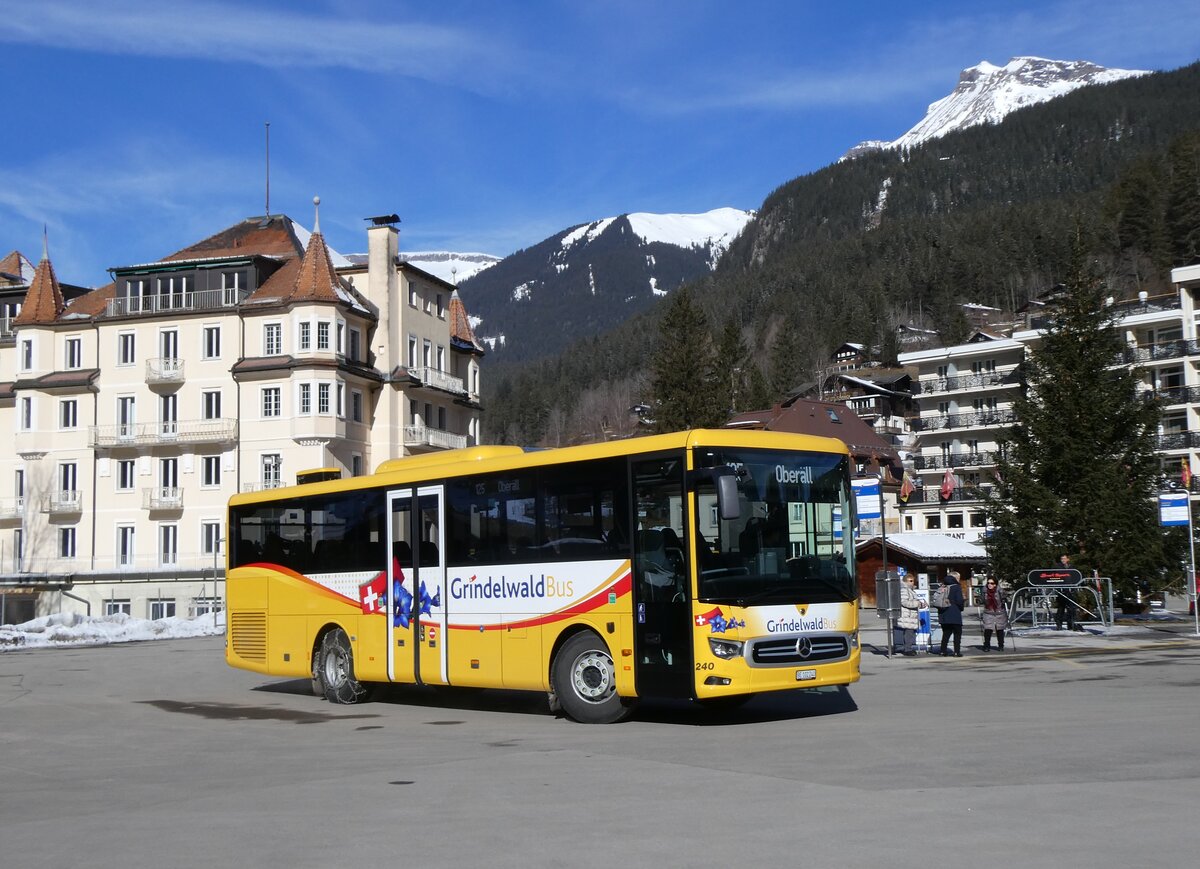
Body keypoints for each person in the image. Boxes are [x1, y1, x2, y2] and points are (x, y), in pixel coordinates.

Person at [894, 574, 925, 656]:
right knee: (909, 632)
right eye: (910, 581)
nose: (912, 582)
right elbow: (904, 602)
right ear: (905, 581)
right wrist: (917, 603)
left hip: (911, 615)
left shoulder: (910, 590)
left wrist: (920, 604)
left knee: (910, 632)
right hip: (907, 615)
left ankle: (908, 648)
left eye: (913, 580)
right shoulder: (904, 590)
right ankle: (908, 649)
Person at [937, 572, 965, 657]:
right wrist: (961, 608)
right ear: (954, 578)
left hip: (943, 613)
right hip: (954, 613)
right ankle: (956, 652)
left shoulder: (942, 587)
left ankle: (943, 651)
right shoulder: (956, 587)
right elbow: (959, 601)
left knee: (946, 633)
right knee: (957, 633)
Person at [981, 576, 1009, 652]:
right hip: (988, 612)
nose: (989, 585)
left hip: (999, 612)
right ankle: (986, 645)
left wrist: (1004, 601)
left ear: (995, 584)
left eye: (992, 583)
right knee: (988, 629)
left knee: (999, 629)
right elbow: (982, 600)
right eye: (988, 583)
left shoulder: (1000, 591)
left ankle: (1001, 645)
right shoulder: (984, 591)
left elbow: (1005, 599)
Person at [1055, 554, 1077, 631]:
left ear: (1068, 559)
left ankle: (1071, 624)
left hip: (1070, 589)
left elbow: (1076, 576)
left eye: (1064, 558)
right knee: (1061, 607)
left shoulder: (1072, 567)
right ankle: (1059, 624)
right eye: (1061, 559)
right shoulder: (1058, 567)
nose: (1063, 560)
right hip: (1061, 589)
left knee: (1071, 608)